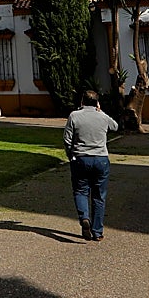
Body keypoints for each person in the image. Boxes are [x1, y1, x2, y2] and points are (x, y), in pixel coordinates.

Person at [63, 90, 119, 241]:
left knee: (80, 191)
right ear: (97, 103)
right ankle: (98, 231)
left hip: (80, 158)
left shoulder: (74, 115)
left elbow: (67, 140)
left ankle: (84, 218)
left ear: (82, 101)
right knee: (99, 196)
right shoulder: (102, 116)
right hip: (101, 158)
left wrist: (71, 155)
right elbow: (115, 126)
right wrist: (101, 111)